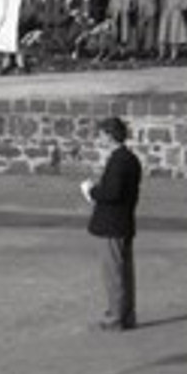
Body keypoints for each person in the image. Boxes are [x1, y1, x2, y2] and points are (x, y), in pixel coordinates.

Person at [80, 117, 143, 331]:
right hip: (124, 221)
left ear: (109, 135)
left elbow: (112, 193)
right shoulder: (130, 158)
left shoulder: (118, 160)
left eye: (101, 135)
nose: (99, 139)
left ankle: (115, 318)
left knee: (113, 272)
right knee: (124, 272)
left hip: (112, 224)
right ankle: (127, 315)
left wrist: (91, 190)